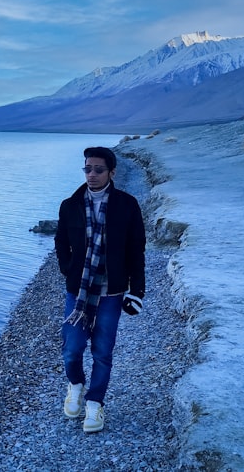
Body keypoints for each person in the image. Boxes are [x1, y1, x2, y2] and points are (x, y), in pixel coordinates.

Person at [54, 146, 146, 433]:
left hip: (112, 291)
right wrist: (69, 269)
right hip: (78, 291)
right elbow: (60, 242)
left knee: (103, 351)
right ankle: (76, 385)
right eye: (87, 169)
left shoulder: (127, 205)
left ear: (112, 172)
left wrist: (137, 291)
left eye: (98, 170)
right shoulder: (70, 205)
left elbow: (136, 250)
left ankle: (94, 405)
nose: (91, 175)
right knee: (72, 348)